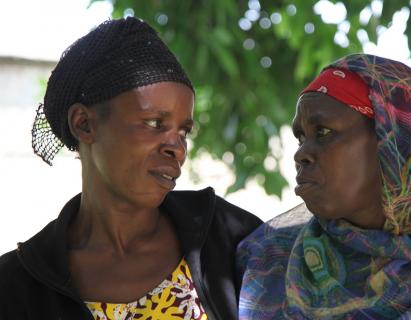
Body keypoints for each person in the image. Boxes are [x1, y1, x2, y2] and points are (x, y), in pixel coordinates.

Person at [0, 17, 262, 320]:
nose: (176, 148)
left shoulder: (229, 238)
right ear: (84, 124)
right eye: (154, 123)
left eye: (183, 131)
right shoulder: (17, 288)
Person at [237, 54, 411, 319]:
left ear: (391, 145)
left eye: (323, 132)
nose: (301, 154)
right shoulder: (266, 260)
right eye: (301, 137)